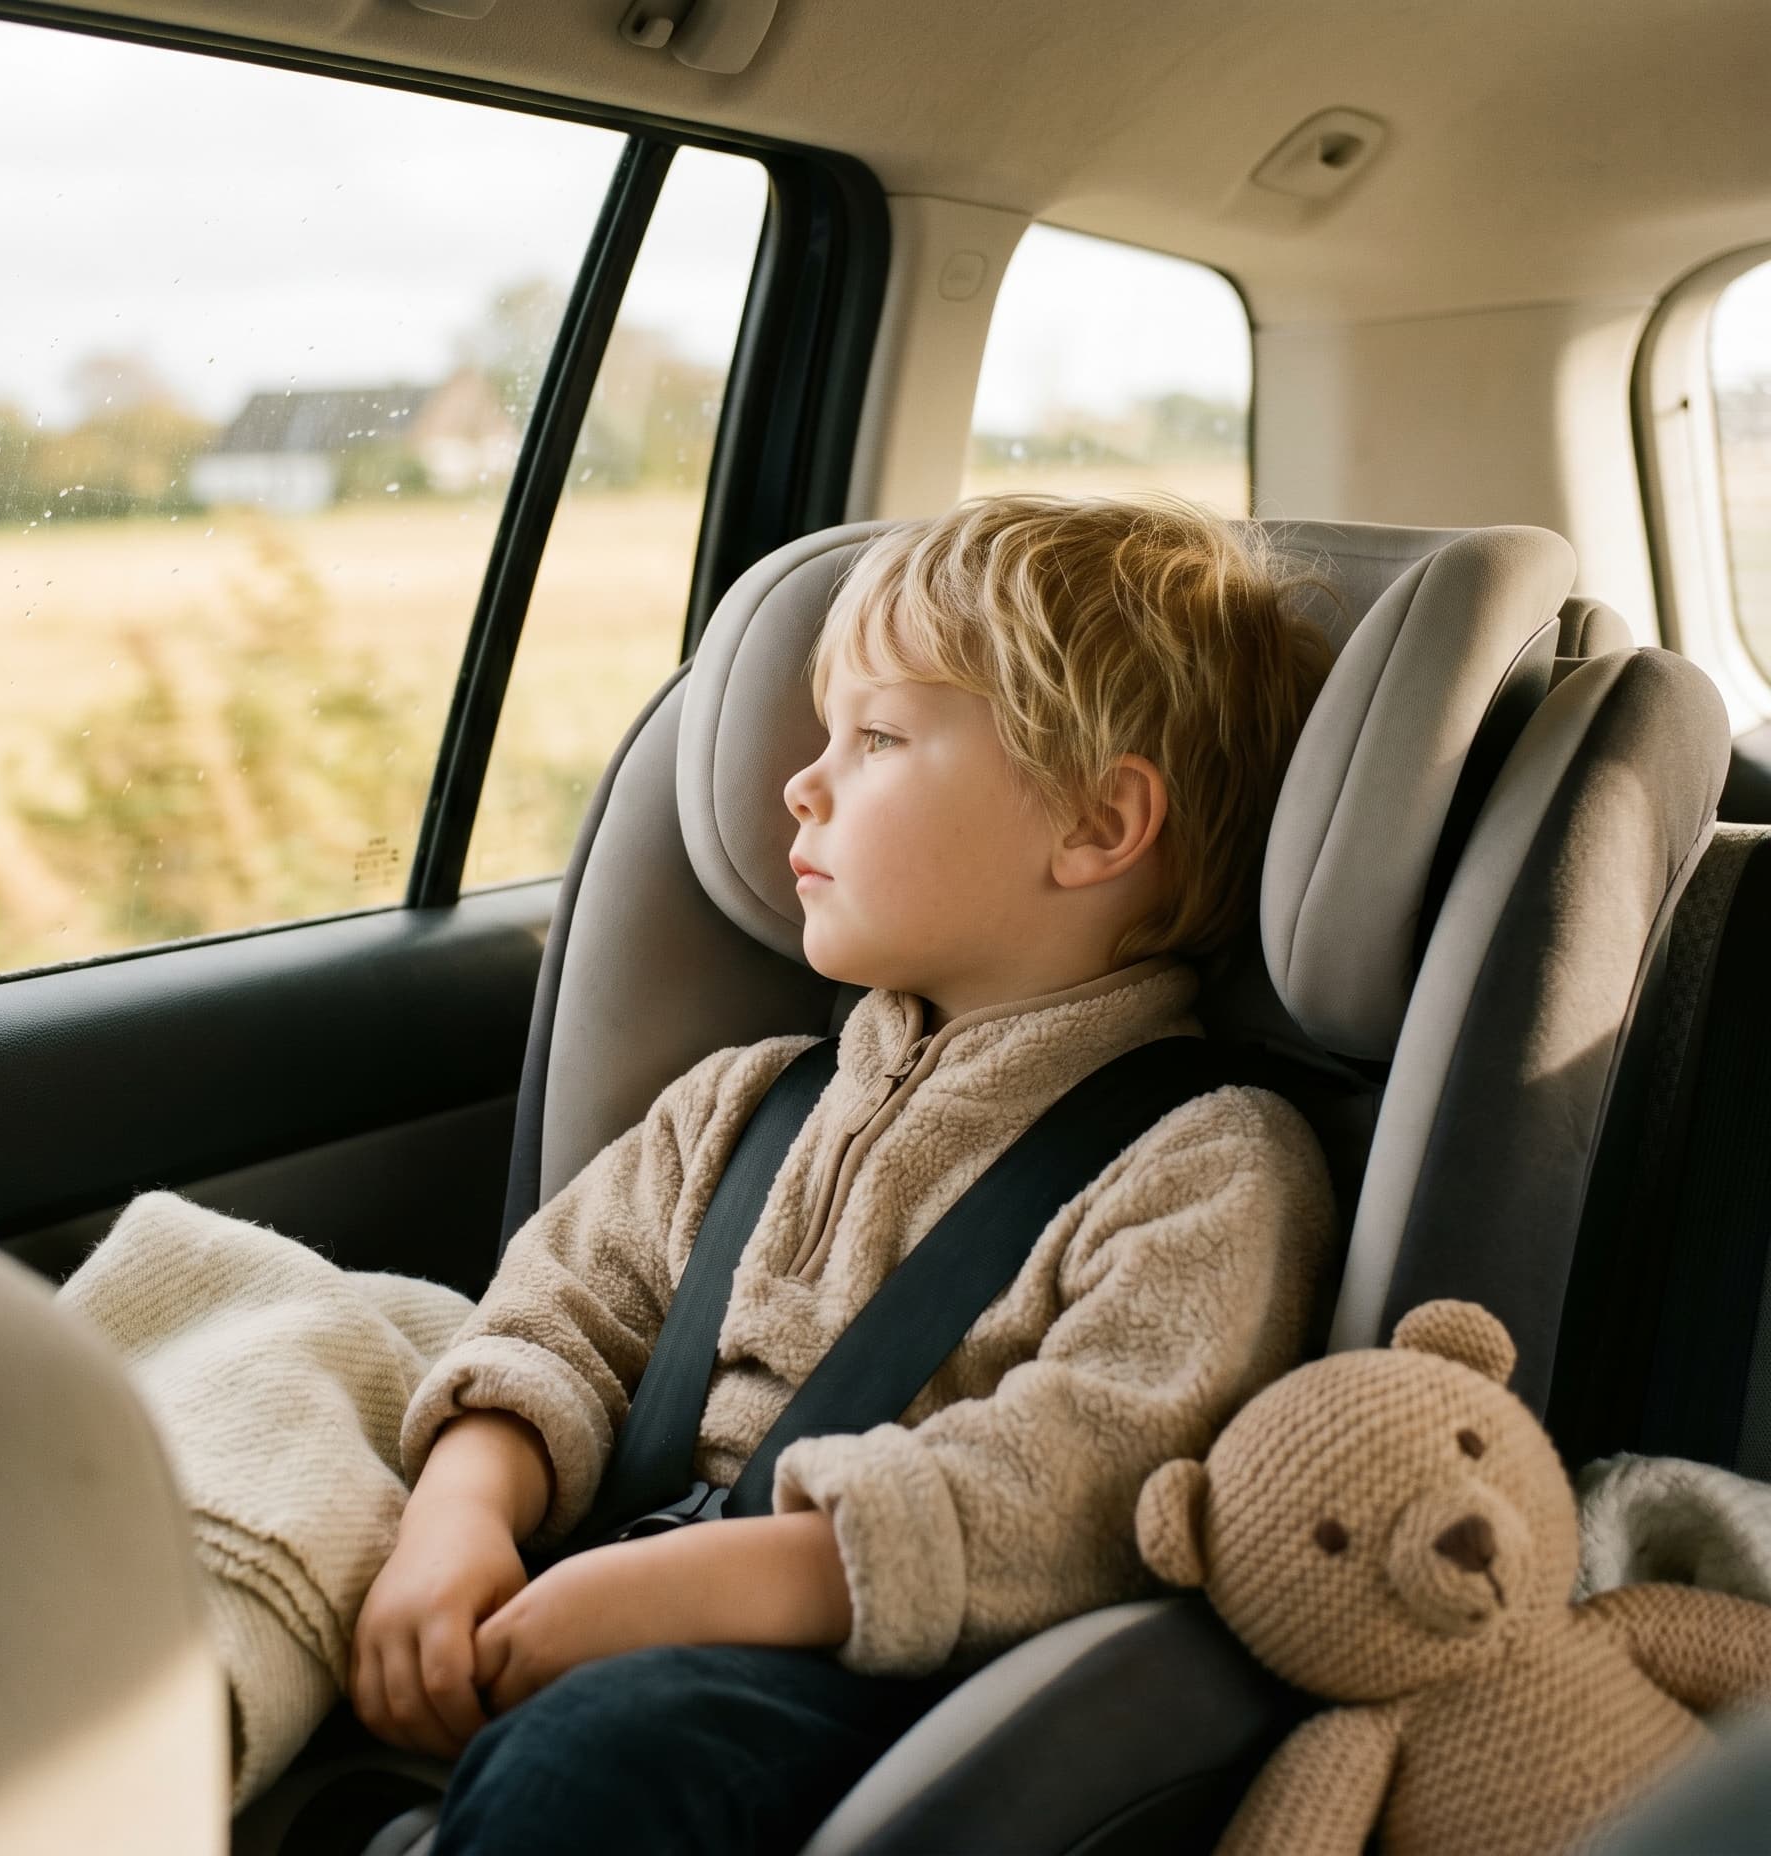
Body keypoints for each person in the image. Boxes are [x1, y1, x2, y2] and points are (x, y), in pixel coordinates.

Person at [351, 493, 1338, 1855]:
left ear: (1098, 821)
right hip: (594, 1585)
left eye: (875, 739)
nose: (800, 784)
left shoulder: (1208, 1163)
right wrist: (456, 1518)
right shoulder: (741, 1105)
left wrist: (680, 1594)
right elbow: (551, 1321)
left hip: (872, 1687)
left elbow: (1080, 1491)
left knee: (594, 1769)